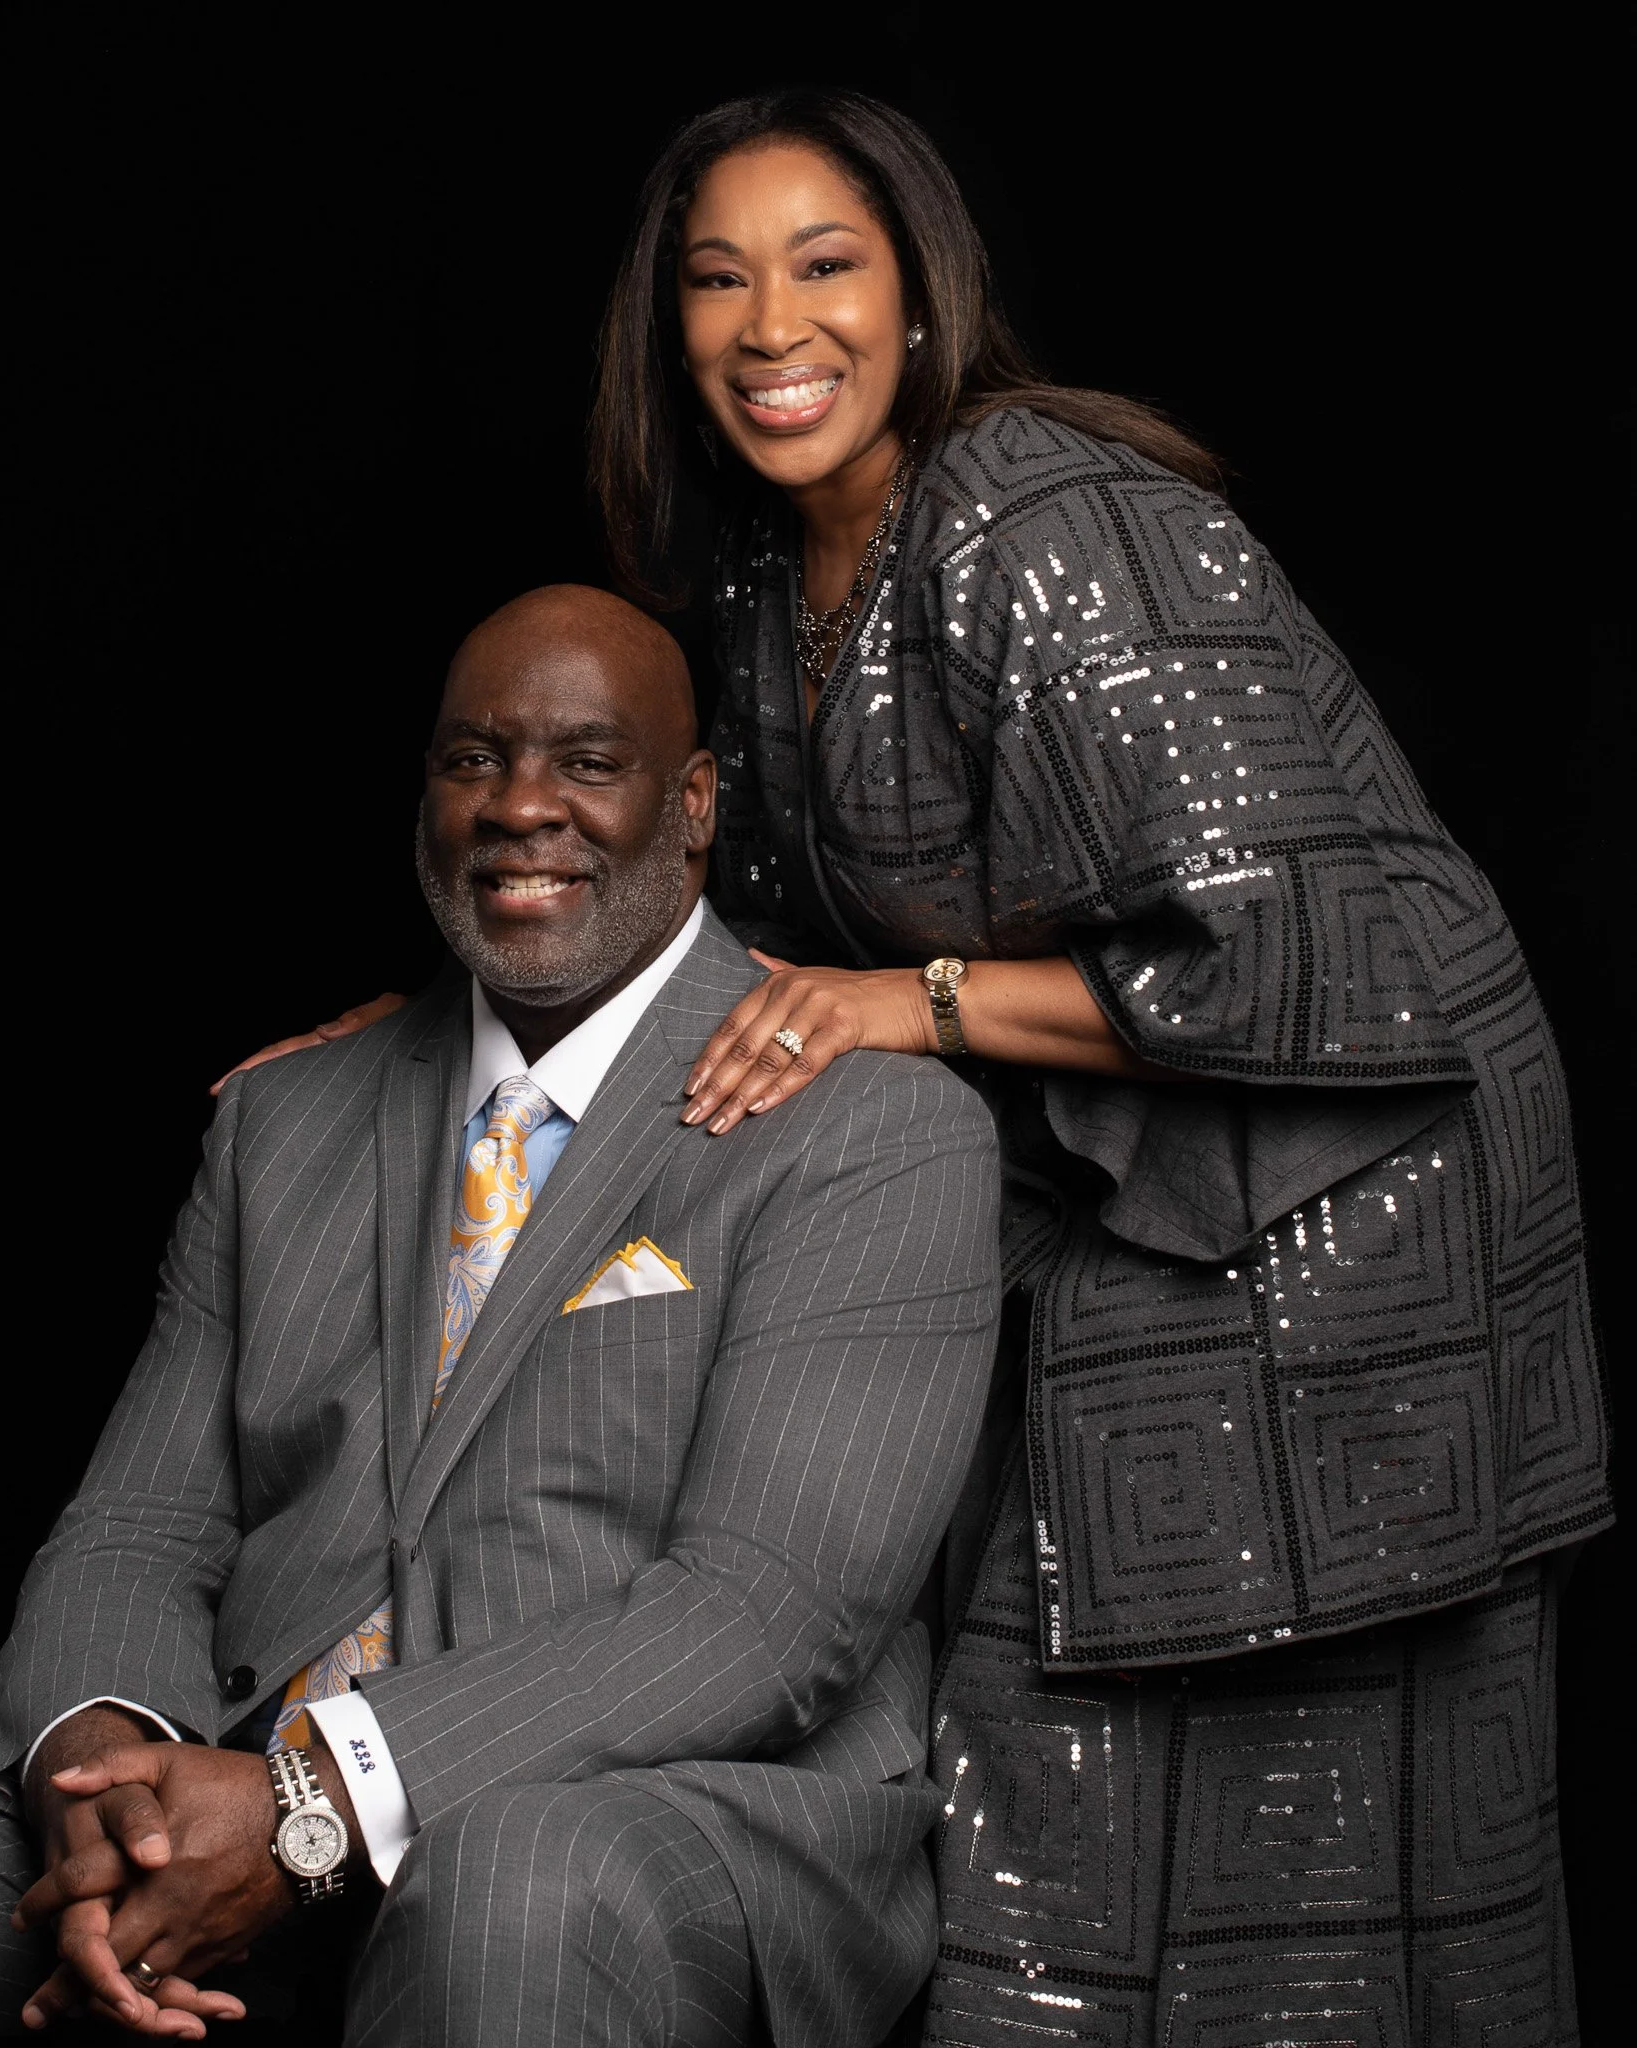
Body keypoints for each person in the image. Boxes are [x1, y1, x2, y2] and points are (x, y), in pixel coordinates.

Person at [580, 91, 1607, 2045]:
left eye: (825, 265)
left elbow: (1299, 946)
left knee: (1315, 1851)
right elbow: (748, 950)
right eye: (717, 279)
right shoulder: (753, 580)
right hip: (1112, 1185)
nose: (768, 326)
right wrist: (448, 1024)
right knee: (1043, 1785)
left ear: (915, 295)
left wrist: (924, 1003)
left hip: (1350, 1200)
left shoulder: (1040, 517)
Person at [0, 584, 1003, 2047]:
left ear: (697, 800)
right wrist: (105, 1778)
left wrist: (312, 1806)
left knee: (506, 1888)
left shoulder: (872, 1130)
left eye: (589, 763)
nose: (522, 805)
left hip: (650, 1811)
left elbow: (761, 1618)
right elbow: (138, 1530)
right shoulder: (284, 1118)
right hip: (224, 1774)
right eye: (474, 759)